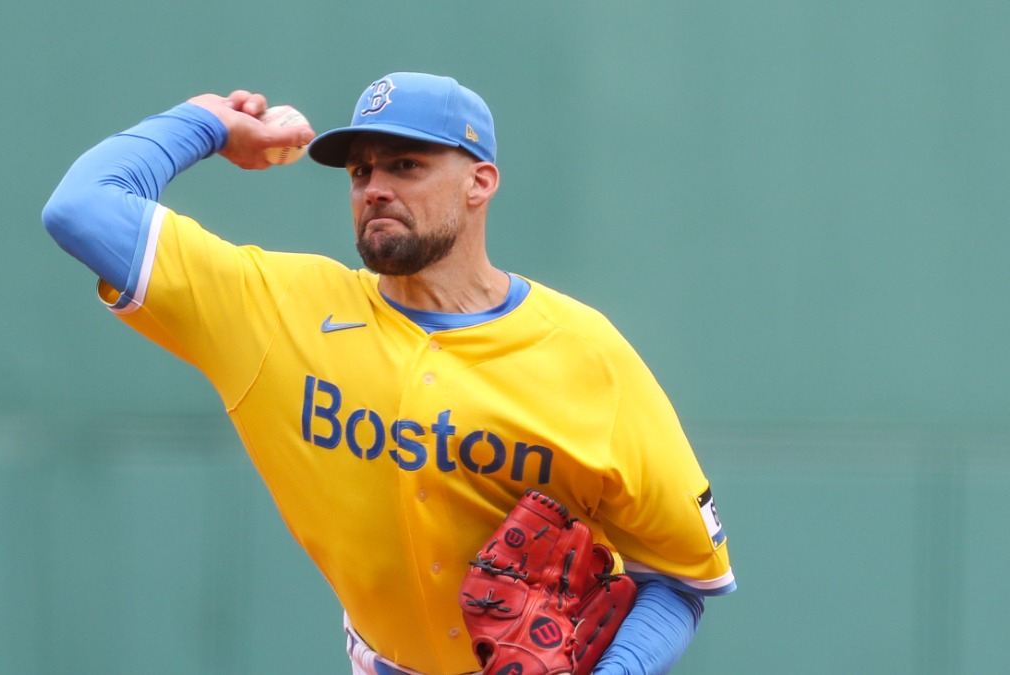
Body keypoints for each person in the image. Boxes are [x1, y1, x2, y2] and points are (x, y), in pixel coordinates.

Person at [43, 72, 735, 675]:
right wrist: (205, 122)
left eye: (404, 165)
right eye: (360, 171)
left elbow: (681, 578)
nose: (374, 188)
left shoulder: (589, 357)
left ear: (480, 182)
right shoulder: (275, 312)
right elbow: (82, 208)